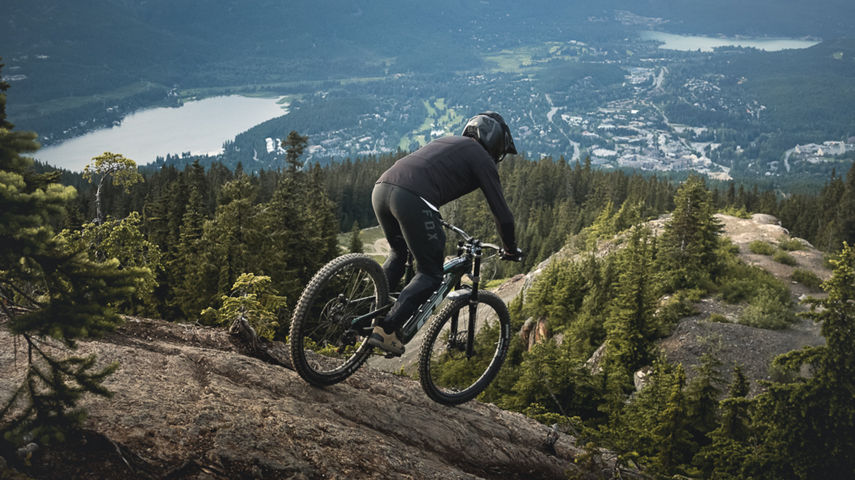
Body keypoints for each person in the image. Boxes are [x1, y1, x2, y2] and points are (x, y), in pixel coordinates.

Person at [367, 111, 523, 356]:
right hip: (412, 198)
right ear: (494, 140)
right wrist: (511, 248)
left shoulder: (450, 142)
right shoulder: (481, 157)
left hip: (382, 188)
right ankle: (387, 329)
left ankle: (368, 316)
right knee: (430, 272)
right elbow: (502, 213)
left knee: (399, 254)